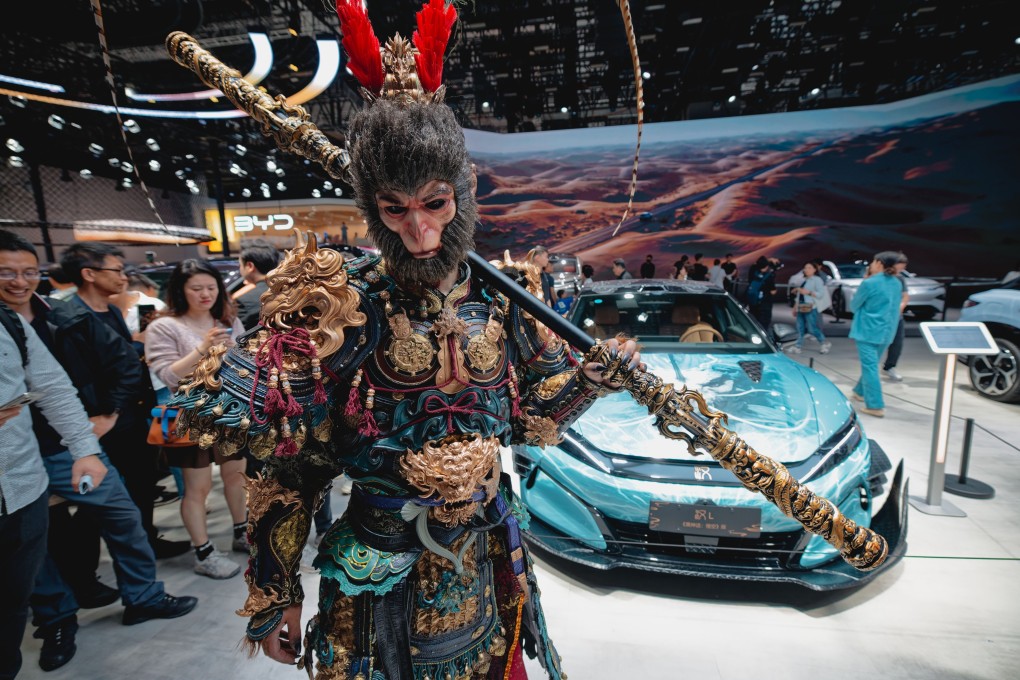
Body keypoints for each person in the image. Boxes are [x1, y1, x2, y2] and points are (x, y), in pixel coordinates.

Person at [168, 3, 640, 676]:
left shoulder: (504, 296)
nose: (419, 231)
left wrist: (590, 382)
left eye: (435, 204)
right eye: (396, 209)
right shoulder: (340, 302)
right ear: (374, 208)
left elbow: (533, 419)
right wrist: (276, 593)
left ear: (462, 194)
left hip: (484, 557)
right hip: (376, 572)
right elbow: (292, 467)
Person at [0, 232, 198, 671]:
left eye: (29, 271)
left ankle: (141, 595)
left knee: (121, 516)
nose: (19, 281)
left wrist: (103, 421)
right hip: (17, 460)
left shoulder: (59, 317)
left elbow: (62, 385)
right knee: (36, 547)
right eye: (6, 272)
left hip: (67, 445)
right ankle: (57, 619)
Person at [59, 243, 187, 559]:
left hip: (142, 407)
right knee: (103, 495)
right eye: (116, 270)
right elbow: (89, 373)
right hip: (104, 418)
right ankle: (86, 569)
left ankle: (147, 541)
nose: (124, 277)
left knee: (144, 481)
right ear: (89, 274)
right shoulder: (70, 317)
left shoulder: (115, 310)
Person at [1, 301, 106, 680]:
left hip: (22, 487)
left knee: (13, 604)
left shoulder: (8, 321)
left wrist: (84, 448)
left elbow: (52, 386)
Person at [144, 260, 247, 579]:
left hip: (228, 410)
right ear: (180, 290)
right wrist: (203, 349)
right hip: (185, 414)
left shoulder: (227, 321)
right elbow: (168, 376)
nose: (206, 294)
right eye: (196, 288)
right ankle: (203, 552)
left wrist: (237, 354)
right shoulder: (164, 326)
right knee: (196, 489)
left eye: (211, 287)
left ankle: (242, 532)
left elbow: (242, 366)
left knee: (237, 477)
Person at [849, 252, 904, 417]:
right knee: (871, 364)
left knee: (870, 367)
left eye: (873, 261)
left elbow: (854, 305)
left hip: (868, 331)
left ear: (879, 263)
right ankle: (859, 391)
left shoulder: (869, 283)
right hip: (887, 332)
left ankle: (875, 405)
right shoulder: (896, 283)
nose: (871, 264)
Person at [235, 239, 282, 331]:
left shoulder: (244, 301)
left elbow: (240, 335)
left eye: (240, 265)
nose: (239, 269)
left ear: (250, 266)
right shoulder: (291, 290)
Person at [788, 261, 831, 354]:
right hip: (801, 306)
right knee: (800, 327)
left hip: (810, 306)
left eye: (809, 268)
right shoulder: (804, 280)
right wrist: (795, 307)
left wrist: (809, 292)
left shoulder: (817, 280)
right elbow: (799, 296)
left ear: (814, 270)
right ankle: (798, 346)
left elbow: (820, 294)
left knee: (812, 328)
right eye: (805, 268)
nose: (806, 270)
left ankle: (823, 342)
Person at [882, 252, 910, 382]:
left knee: (897, 343)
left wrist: (900, 307)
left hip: (896, 317)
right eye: (901, 265)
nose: (902, 268)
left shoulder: (900, 279)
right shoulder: (879, 278)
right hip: (880, 317)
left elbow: (905, 296)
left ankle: (890, 366)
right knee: (879, 343)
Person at [746, 256, 781, 330]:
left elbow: (755, 264)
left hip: (753, 304)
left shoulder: (753, 272)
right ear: (767, 266)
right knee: (763, 326)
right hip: (764, 305)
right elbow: (773, 292)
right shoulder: (768, 276)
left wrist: (768, 260)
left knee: (753, 323)